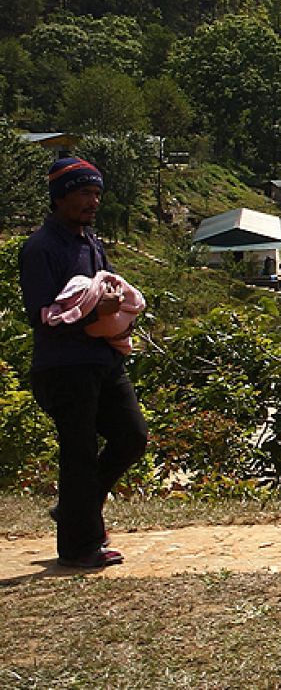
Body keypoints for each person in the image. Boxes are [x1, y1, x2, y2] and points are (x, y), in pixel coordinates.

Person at [19, 156, 148, 569]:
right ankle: (79, 547)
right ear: (60, 198)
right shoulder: (41, 248)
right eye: (84, 193)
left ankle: (77, 510)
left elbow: (106, 287)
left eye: (96, 193)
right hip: (64, 367)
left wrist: (116, 308)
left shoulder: (90, 241)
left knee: (132, 437)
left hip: (102, 359)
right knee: (78, 452)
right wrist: (95, 314)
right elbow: (42, 316)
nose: (93, 201)